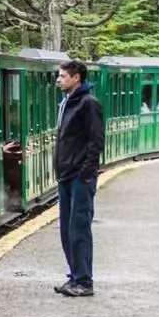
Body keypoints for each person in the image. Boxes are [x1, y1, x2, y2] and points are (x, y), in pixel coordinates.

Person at [52, 58, 106, 298]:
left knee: (79, 228)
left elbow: (96, 141)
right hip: (65, 174)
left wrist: (86, 172)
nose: (59, 80)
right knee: (66, 229)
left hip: (79, 177)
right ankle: (74, 276)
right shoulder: (66, 102)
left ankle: (84, 281)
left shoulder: (88, 104)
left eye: (63, 76)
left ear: (76, 78)